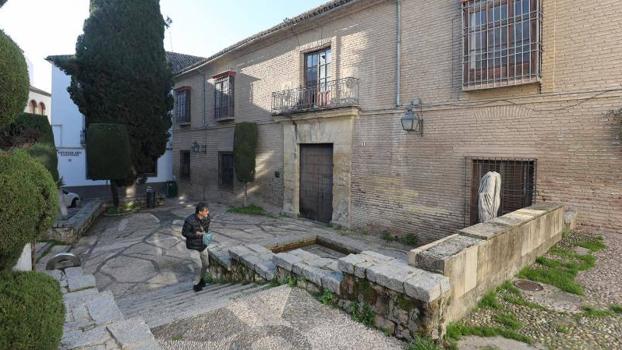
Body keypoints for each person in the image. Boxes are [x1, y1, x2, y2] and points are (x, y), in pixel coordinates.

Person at [182, 202, 211, 292]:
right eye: (206, 211)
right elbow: (184, 233)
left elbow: (206, 230)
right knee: (198, 266)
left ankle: (201, 279)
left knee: (206, 264)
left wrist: (206, 236)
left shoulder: (207, 218)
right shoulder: (189, 220)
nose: (208, 212)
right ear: (200, 212)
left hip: (203, 245)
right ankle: (196, 284)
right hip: (193, 246)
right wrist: (196, 234)